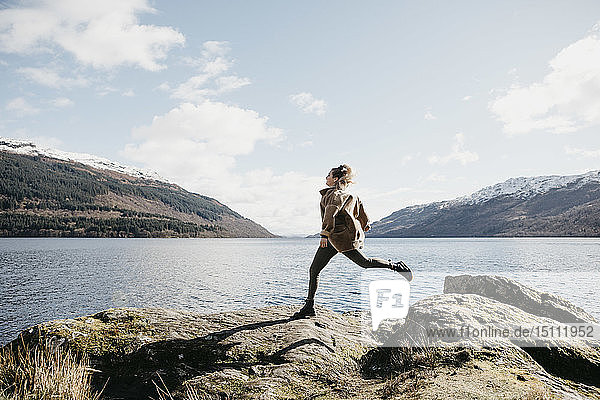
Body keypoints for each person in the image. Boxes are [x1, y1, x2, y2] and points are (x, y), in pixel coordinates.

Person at [291, 164, 413, 319]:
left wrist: (324, 234)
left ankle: (396, 266)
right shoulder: (349, 195)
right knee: (314, 270)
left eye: (328, 175)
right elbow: (361, 209)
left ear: (335, 178)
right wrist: (365, 223)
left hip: (338, 238)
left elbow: (331, 212)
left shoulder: (335, 194)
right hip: (335, 238)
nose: (326, 178)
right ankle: (309, 306)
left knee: (364, 262)